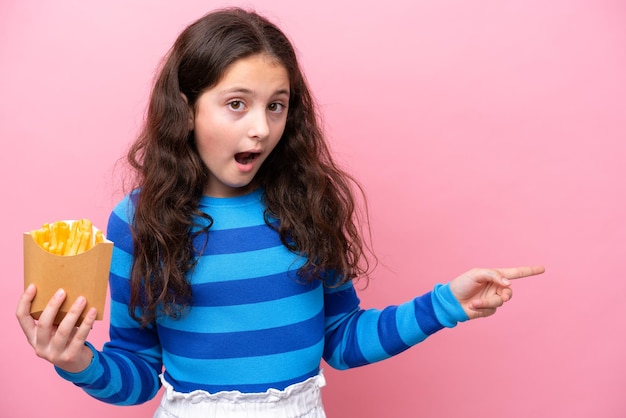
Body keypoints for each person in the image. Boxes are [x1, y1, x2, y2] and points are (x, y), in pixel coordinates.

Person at [16, 7, 544, 418]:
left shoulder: (308, 206)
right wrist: (75, 361)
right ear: (186, 107)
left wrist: (445, 303)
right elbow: (136, 371)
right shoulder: (137, 221)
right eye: (236, 104)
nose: (261, 129)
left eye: (277, 104)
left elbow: (341, 338)